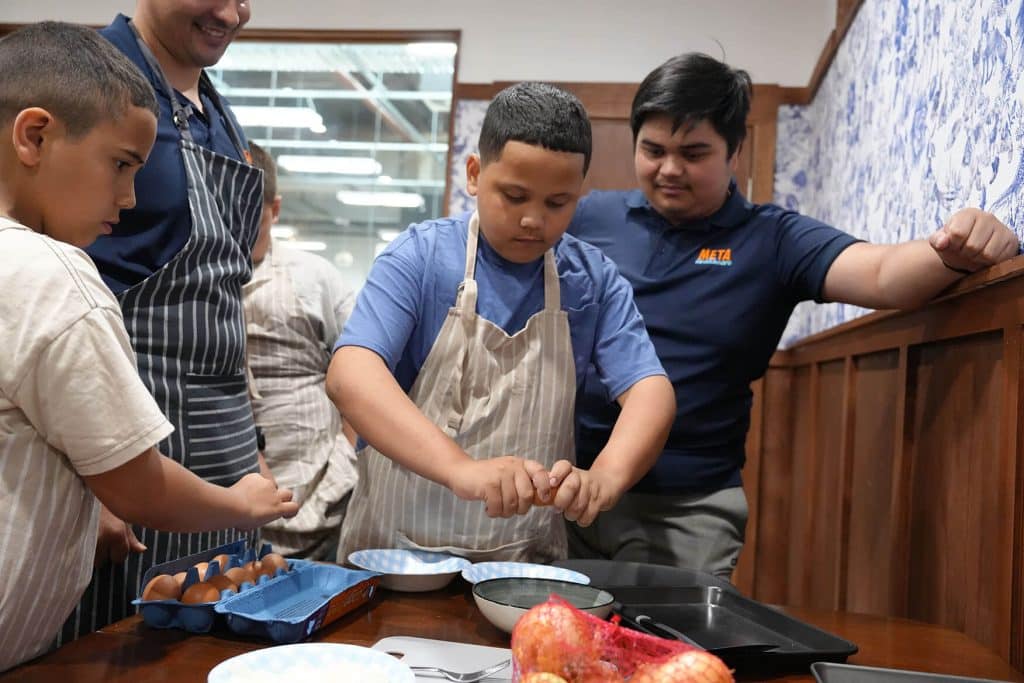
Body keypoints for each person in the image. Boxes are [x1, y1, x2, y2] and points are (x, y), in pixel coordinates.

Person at [566, 52, 1021, 578]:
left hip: (690, 508)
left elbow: (880, 273)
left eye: (693, 153)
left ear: (735, 151)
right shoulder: (590, 216)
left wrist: (958, 246)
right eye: (653, 150)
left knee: (677, 659)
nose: (669, 169)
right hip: (575, 491)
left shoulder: (773, 238)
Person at [0, 22, 298, 672]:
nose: (129, 197)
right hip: (140, 481)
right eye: (120, 167)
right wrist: (238, 502)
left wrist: (253, 452)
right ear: (35, 135)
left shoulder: (218, 116)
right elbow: (135, 482)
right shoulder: (58, 276)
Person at [328, 82, 676, 563]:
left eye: (558, 203)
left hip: (520, 566)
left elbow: (651, 392)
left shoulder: (591, 281)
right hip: (392, 557)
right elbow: (351, 375)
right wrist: (459, 469)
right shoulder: (421, 258)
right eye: (514, 196)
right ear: (474, 174)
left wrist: (606, 476)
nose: (534, 220)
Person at [64, 0, 269, 639]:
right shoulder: (95, 82)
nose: (234, 13)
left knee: (216, 639)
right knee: (119, 646)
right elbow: (52, 310)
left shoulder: (218, 112)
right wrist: (88, 488)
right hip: (126, 442)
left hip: (221, 443)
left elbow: (223, 298)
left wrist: (251, 444)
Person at [243, 143, 359, 560]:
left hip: (323, 486)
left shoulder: (315, 277)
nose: (237, 232)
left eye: (249, 218)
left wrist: (345, 459)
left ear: (274, 209)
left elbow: (362, 376)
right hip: (231, 494)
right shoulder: (200, 284)